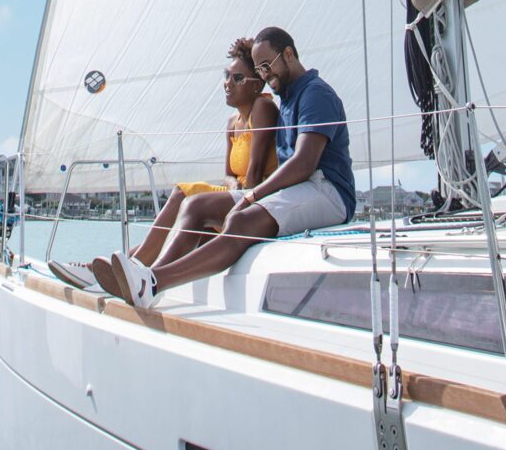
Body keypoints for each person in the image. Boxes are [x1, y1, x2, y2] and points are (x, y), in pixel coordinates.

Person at [103, 26, 355, 310]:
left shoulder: (315, 94)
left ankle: (153, 282)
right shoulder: (288, 97)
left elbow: (304, 163)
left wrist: (252, 196)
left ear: (288, 54)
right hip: (296, 188)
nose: (263, 74)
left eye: (266, 65)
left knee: (240, 223)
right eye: (258, 69)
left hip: (328, 192)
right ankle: (145, 278)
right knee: (197, 206)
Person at [49, 40, 277, 293]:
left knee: (183, 193)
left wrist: (240, 192)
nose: (228, 83)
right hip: (235, 192)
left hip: (254, 198)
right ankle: (102, 270)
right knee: (168, 226)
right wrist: (233, 183)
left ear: (257, 84)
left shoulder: (263, 107)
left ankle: (134, 270)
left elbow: (255, 173)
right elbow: (228, 174)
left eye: (237, 78)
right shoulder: (232, 122)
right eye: (226, 76)